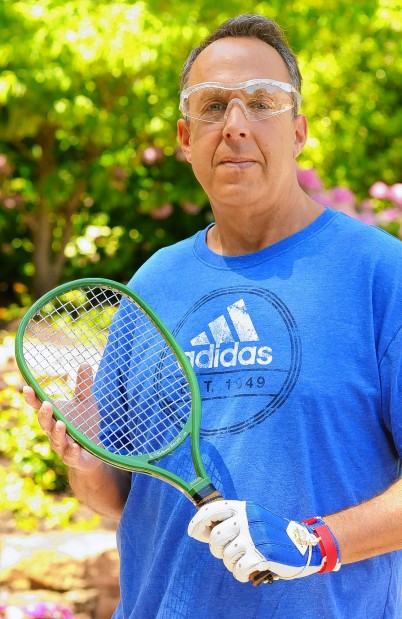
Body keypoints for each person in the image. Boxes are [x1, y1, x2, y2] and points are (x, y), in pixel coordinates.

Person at [24, 13, 402, 619]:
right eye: (213, 105)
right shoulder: (154, 283)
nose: (236, 125)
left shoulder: (381, 274)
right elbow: (128, 500)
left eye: (262, 102)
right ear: (185, 138)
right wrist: (89, 465)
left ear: (299, 130)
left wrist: (314, 543)